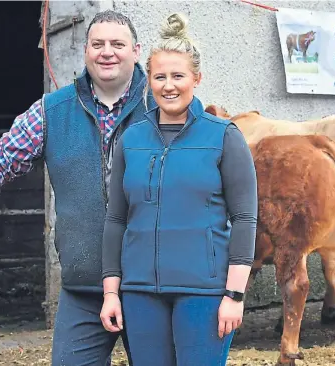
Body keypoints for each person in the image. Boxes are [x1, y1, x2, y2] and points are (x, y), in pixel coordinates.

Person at [0, 10, 155, 365]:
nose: (107, 52)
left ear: (136, 50)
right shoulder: (52, 111)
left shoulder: (162, 105)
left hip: (152, 287)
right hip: (85, 288)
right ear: (85, 50)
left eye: (117, 44)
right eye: (98, 43)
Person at [99, 12, 258, 366]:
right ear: (149, 82)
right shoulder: (131, 140)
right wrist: (112, 292)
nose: (168, 85)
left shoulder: (224, 136)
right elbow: (115, 220)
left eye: (178, 76)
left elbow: (245, 218)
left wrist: (234, 293)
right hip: (139, 293)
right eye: (159, 76)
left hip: (203, 293)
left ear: (196, 79)